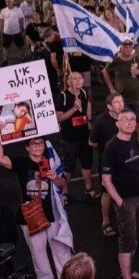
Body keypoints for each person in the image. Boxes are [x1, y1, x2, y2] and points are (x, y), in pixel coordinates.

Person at [0, 132, 73, 279]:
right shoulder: (22, 163)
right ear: (27, 147)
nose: (37, 146)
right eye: (33, 144)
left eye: (40, 143)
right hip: (31, 217)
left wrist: (54, 178)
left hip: (53, 215)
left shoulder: (52, 161)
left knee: (61, 250)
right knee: (37, 250)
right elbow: (0, 159)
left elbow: (63, 183)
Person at [100, 109, 139, 279]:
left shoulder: (133, 139)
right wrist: (120, 202)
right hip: (126, 201)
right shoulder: (112, 146)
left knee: (137, 236)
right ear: (117, 123)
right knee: (126, 241)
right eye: (125, 119)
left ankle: (129, 270)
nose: (130, 122)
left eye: (133, 119)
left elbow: (135, 166)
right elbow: (106, 180)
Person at [89, 92, 125, 237]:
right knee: (108, 193)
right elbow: (91, 142)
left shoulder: (127, 116)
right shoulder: (101, 121)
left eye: (122, 101)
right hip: (107, 163)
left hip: (124, 161)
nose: (121, 104)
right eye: (117, 102)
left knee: (125, 190)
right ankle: (106, 221)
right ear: (109, 106)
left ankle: (124, 219)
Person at [56, 70, 95, 200]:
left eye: (80, 78)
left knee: (87, 163)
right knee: (68, 166)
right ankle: (64, 192)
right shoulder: (63, 96)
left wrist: (89, 120)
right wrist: (73, 108)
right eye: (74, 78)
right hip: (69, 139)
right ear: (68, 82)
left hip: (84, 136)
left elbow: (87, 105)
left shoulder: (84, 92)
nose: (78, 80)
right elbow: (59, 118)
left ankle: (89, 188)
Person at [103, 38, 139, 144]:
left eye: (129, 47)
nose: (128, 49)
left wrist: (138, 73)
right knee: (124, 120)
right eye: (125, 47)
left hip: (137, 96)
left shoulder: (136, 59)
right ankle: (126, 140)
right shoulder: (116, 60)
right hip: (122, 98)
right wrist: (111, 88)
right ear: (121, 48)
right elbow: (104, 71)